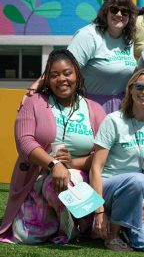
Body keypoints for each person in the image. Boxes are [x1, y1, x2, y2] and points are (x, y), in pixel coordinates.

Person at [0, 49, 106, 244]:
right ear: (47, 80)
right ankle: (60, 224)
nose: (62, 79)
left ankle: (74, 228)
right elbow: (24, 141)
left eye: (67, 73)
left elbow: (103, 154)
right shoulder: (34, 102)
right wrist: (53, 164)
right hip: (37, 178)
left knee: (65, 181)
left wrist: (72, 164)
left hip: (79, 178)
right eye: (54, 75)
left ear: (77, 75)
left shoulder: (95, 109)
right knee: (25, 236)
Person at [90, 69, 144, 252]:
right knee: (138, 180)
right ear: (130, 90)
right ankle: (113, 236)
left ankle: (123, 226)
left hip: (139, 195)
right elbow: (95, 168)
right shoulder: (113, 121)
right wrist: (98, 209)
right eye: (140, 86)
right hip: (109, 189)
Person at [66, 0, 138, 113]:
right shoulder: (88, 36)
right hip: (90, 106)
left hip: (121, 107)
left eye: (125, 11)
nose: (120, 14)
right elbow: (64, 71)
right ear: (106, 12)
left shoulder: (128, 38)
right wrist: (37, 90)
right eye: (114, 10)